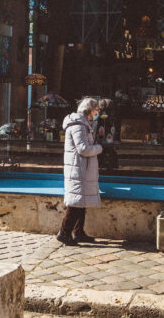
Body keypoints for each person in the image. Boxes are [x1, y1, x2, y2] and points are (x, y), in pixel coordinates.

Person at [57, 97, 103, 245]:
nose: (97, 113)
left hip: (81, 169)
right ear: (89, 110)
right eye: (96, 110)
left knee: (81, 203)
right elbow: (83, 149)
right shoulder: (78, 125)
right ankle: (63, 233)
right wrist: (99, 148)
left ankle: (78, 232)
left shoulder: (83, 124)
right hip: (78, 170)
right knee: (75, 204)